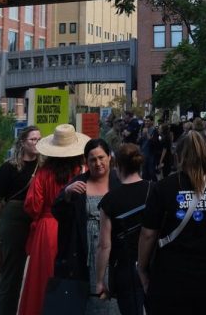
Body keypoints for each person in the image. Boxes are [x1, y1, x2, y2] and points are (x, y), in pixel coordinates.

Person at [138, 132, 206, 315]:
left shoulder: (164, 187)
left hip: (170, 277)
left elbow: (148, 234)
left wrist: (142, 269)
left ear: (178, 155)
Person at [20, 124, 88, 315]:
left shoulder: (42, 173)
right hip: (72, 227)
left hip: (46, 229)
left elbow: (32, 206)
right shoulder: (80, 171)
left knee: (42, 279)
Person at [54, 137, 116, 315]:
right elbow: (58, 213)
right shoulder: (78, 183)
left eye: (101, 157)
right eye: (92, 160)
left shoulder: (118, 181)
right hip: (83, 250)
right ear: (86, 162)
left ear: (109, 157)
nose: (98, 163)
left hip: (113, 251)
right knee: (87, 298)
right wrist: (66, 195)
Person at [0, 125, 40, 315]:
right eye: (33, 139)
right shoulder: (8, 167)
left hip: (37, 219)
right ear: (22, 142)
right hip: (15, 219)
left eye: (39, 139)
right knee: (12, 272)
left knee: (41, 268)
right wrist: (4, 218)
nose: (36, 143)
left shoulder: (43, 166)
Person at [94, 143, 151, 315]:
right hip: (152, 265)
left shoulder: (110, 200)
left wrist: (99, 281)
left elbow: (104, 245)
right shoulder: (154, 190)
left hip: (125, 270)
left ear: (117, 165)